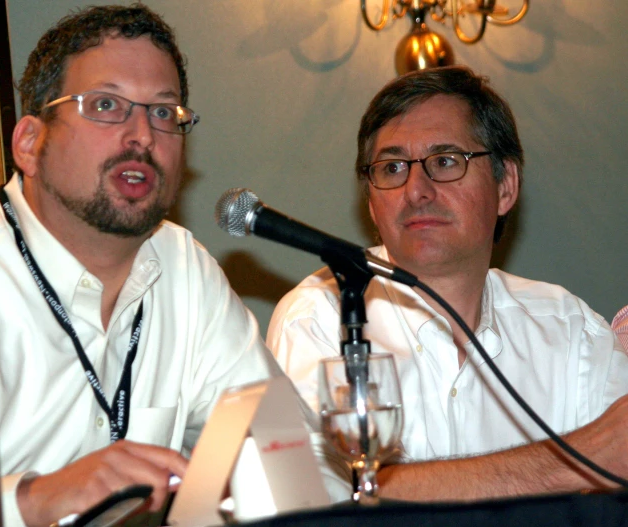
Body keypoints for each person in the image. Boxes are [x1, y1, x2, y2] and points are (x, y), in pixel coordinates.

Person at [0, 6, 340, 527]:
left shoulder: (183, 269)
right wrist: (32, 501)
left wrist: (256, 495)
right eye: (107, 105)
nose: (143, 137)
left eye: (164, 113)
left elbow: (292, 465)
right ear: (30, 143)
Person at [267, 65, 628, 500]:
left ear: (506, 186)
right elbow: (327, 504)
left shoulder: (570, 331)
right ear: (371, 199)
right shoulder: (319, 318)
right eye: (393, 167)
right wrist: (567, 464)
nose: (416, 189)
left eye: (444, 161)